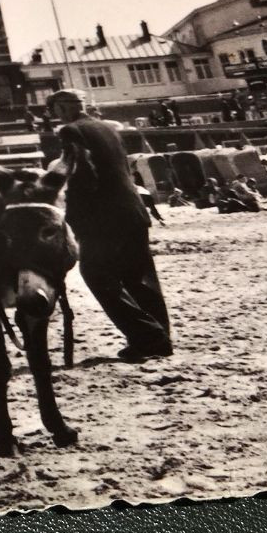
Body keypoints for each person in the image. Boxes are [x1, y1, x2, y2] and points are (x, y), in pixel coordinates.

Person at [49, 88, 173, 361]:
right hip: (132, 210)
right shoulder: (108, 127)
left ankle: (148, 336)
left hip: (102, 218)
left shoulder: (70, 131)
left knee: (96, 274)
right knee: (139, 278)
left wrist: (73, 217)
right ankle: (159, 341)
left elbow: (84, 175)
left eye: (55, 110)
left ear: (62, 108)